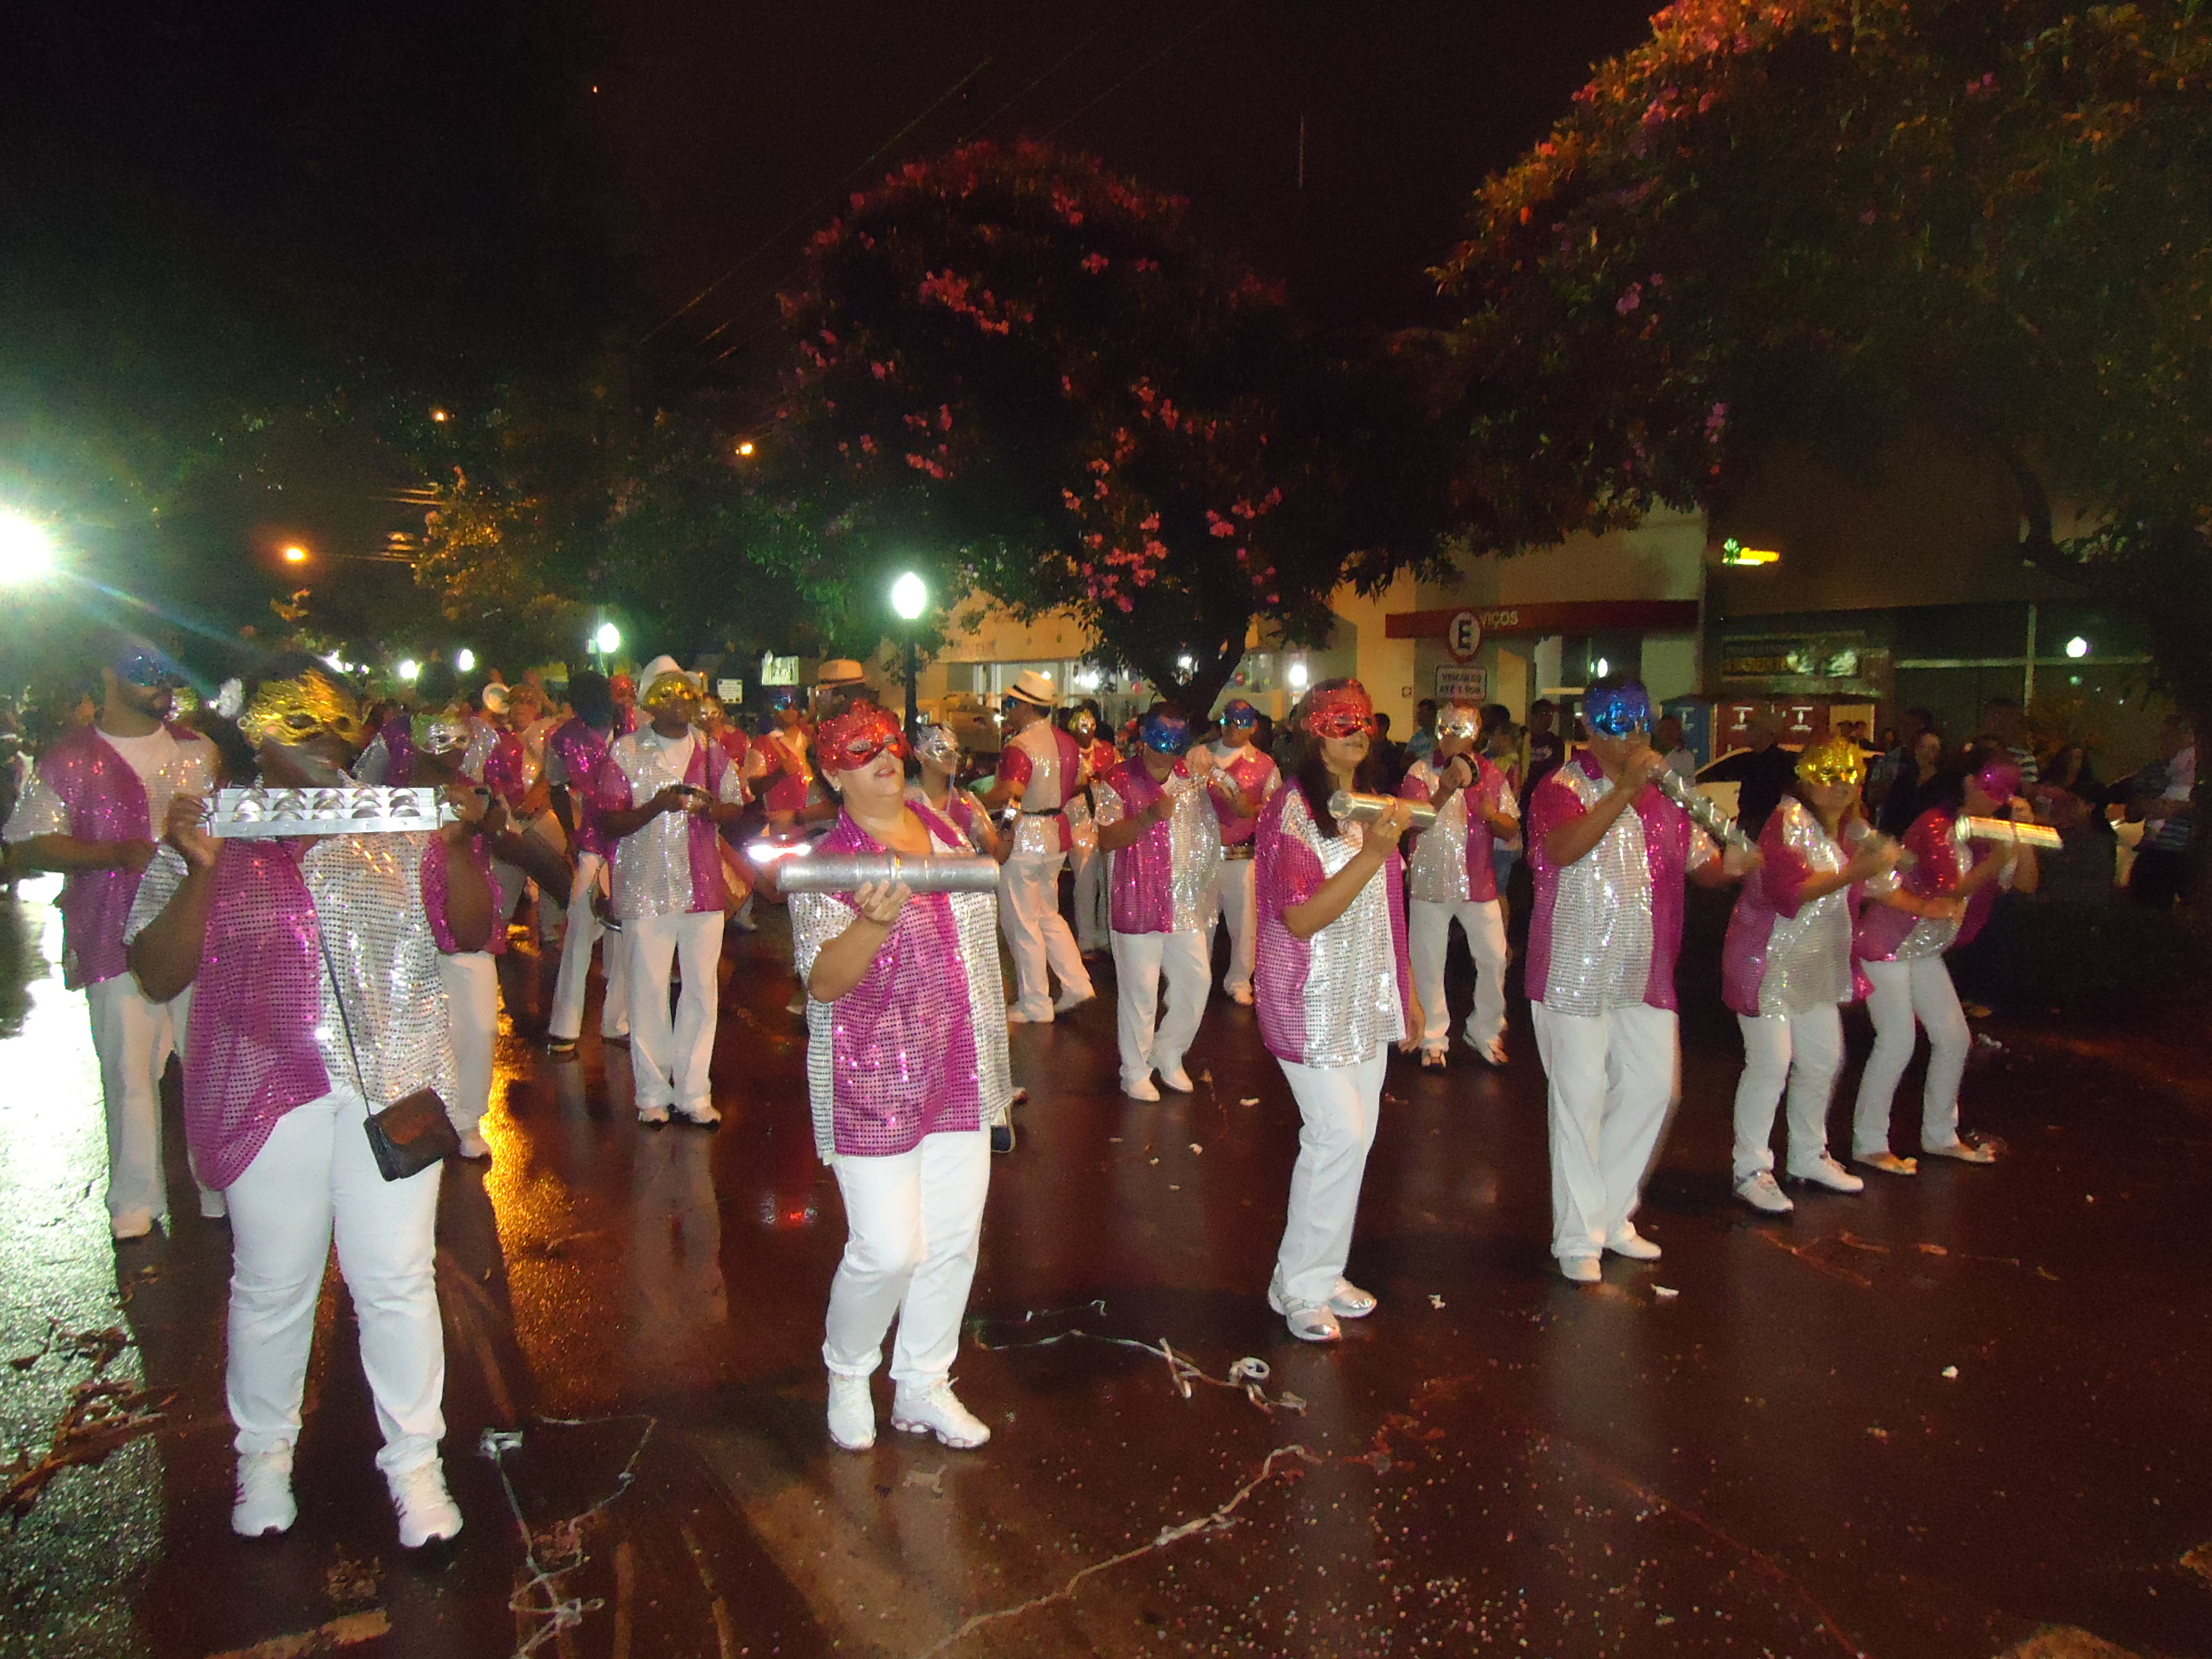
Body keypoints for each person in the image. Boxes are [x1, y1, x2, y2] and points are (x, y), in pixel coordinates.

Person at [125, 655, 492, 1546]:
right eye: (307, 732)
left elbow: (473, 928)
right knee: (272, 1284)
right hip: (264, 1086)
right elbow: (155, 967)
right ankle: (262, 1462)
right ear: (261, 741)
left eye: (339, 732)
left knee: (396, 1281)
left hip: (390, 1085)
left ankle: (415, 1464)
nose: (331, 751)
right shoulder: (211, 830)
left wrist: (453, 842)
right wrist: (204, 866)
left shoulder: (393, 828)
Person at [788, 704, 1013, 1452]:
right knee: (889, 1249)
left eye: (890, 741)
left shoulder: (945, 832)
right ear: (831, 771)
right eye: (859, 749)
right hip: (873, 1078)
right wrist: (874, 922)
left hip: (959, 1065)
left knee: (951, 1241)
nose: (883, 754)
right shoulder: (832, 861)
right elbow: (822, 982)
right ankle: (849, 1370)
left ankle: (922, 1382)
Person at [1525, 676, 1755, 1283]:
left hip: (1643, 968)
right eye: (1617, 728)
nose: (1631, 739)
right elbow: (1561, 850)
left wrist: (1729, 865)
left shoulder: (1670, 794)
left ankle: (1610, 1212)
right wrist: (1623, 791)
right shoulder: (1560, 787)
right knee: (1580, 1100)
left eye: (1640, 726)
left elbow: (1700, 864)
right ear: (1591, 730)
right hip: (1571, 968)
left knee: (1658, 1089)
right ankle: (1578, 1237)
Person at [3, 640, 222, 1237]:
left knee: (209, 1062)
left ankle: (221, 1183)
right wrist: (115, 853)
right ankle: (135, 1199)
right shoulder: (68, 759)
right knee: (129, 1072)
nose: (161, 683)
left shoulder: (199, 751)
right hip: (111, 934)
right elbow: (27, 842)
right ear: (107, 674)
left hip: (195, 928)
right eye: (144, 671)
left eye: (166, 672)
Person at [1254, 679, 1419, 1342]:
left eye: (1364, 722)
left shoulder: (1369, 805)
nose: (1359, 732)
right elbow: (1300, 916)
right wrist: (1376, 852)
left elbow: (1388, 905)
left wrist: (1406, 988)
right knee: (1338, 1135)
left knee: (1357, 1139)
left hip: (1365, 994)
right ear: (1315, 731)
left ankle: (1321, 1273)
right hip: (1308, 996)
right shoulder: (1292, 811)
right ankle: (1296, 1285)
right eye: (1342, 722)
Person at [1722, 736, 1898, 1214]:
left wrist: (1879, 857)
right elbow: (1790, 894)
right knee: (1770, 1064)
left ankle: (1806, 1153)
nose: (1841, 786)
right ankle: (1751, 1168)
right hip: (1768, 959)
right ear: (1805, 779)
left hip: (1816, 963)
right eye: (1830, 776)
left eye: (1849, 776)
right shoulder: (1787, 823)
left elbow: (1888, 882)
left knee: (1823, 1058)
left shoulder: (1843, 829)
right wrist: (1858, 867)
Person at [1850, 749, 2041, 1172]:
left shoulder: (1992, 831)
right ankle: (1869, 1142)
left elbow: (2027, 884)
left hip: (1924, 950)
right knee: (1898, 1040)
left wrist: (2022, 837)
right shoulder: (1934, 826)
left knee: (1954, 1039)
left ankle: (1939, 1134)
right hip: (1887, 943)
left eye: (2007, 793)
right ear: (1970, 782)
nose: (1998, 799)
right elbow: (1945, 893)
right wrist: (1995, 858)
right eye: (1993, 789)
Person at [597, 667, 747, 1126]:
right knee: (647, 991)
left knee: (702, 990)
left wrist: (708, 809)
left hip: (702, 888)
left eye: (689, 695)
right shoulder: (625, 752)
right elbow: (607, 822)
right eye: (672, 696)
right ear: (652, 704)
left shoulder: (710, 751)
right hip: (646, 888)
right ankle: (651, 1094)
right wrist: (655, 806)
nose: (683, 703)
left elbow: (736, 806)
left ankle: (694, 1091)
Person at [1093, 705, 1222, 1101]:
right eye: (1159, 739)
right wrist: (1148, 817)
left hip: (1182, 900)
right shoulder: (1117, 778)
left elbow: (1218, 820)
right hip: (1136, 896)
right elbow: (1106, 839)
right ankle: (1134, 1070)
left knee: (1197, 980)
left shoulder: (1189, 778)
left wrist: (1215, 771)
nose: (1166, 751)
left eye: (1176, 742)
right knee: (1140, 989)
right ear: (1143, 736)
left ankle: (1168, 1052)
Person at [1397, 698, 1519, 1068]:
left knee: (1494, 956)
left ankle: (1485, 1030)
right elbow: (1412, 822)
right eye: (1446, 728)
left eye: (1460, 729)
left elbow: (1512, 825)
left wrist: (1492, 815)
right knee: (1430, 959)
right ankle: (1433, 1037)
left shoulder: (1492, 774)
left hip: (1478, 882)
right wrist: (1445, 788)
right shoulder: (1421, 771)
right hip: (1431, 882)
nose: (1451, 736)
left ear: (1475, 734)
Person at [981, 672, 1095, 1022]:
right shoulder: (1067, 742)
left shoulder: (1021, 746)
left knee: (1021, 920)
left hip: (1027, 832)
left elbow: (1011, 791)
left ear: (1028, 706)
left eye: (1012, 703)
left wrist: (976, 800)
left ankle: (1035, 1002)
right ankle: (1077, 983)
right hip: (1056, 832)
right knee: (1048, 914)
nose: (1008, 709)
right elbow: (1078, 783)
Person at [544, 671, 632, 1056]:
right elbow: (556, 786)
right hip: (597, 840)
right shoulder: (564, 737)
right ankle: (566, 1025)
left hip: (630, 834)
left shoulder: (633, 725)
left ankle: (616, 1021)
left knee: (625, 930)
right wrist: (569, 832)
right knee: (583, 926)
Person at [1201, 698, 1280, 1005]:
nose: (1234, 728)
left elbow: (1275, 811)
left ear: (1253, 726)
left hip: (1242, 853)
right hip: (1203, 854)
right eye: (1229, 722)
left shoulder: (1265, 765)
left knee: (1244, 922)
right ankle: (1196, 977)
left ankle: (1239, 978)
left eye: (1242, 723)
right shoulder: (1202, 757)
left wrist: (1249, 809)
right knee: (1200, 920)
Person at [2127, 714, 2195, 909]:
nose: (2163, 742)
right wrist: (2143, 805)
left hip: (2186, 854)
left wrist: (2178, 807)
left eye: (2169, 736)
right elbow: (2131, 814)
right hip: (2153, 852)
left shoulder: (2200, 773)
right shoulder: (2154, 771)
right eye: (2162, 736)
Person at [1061, 704, 1111, 955]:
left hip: (1103, 821)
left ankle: (1105, 933)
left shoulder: (1107, 751)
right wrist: (1082, 785)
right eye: (1082, 725)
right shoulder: (1065, 753)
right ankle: (1086, 938)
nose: (1087, 731)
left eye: (1091, 725)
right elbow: (1058, 791)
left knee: (1107, 879)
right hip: (1077, 821)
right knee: (1085, 880)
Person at [1702, 711, 1799, 841]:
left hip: (1766, 830)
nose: (1746, 732)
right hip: (1756, 827)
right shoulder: (1746, 760)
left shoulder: (1783, 762)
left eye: (1751, 728)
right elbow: (1714, 773)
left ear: (1764, 733)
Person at [754, 687, 814, 834]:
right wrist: (779, 774)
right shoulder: (763, 744)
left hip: (815, 821)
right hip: (780, 823)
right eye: (782, 705)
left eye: (794, 705)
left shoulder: (813, 739)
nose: (789, 710)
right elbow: (753, 788)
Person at [1876, 726, 1946, 841]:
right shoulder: (1904, 779)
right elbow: (1889, 815)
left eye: (1932, 749)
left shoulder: (1944, 784)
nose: (1926, 753)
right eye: (1922, 747)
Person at [1522, 698, 1566, 796]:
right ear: (1533, 716)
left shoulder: (1555, 742)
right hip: (1524, 791)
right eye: (1543, 714)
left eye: (1550, 715)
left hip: (1545, 791)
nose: (1547, 719)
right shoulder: (1522, 739)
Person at [1655, 713, 1698, 782]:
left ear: (1678, 732)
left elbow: (1689, 784)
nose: (1665, 733)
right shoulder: (1651, 754)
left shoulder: (1686, 757)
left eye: (1670, 729)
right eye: (1662, 730)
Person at [1405, 698, 1440, 765]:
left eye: (1422, 714)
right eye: (1418, 714)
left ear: (1432, 715)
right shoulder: (1416, 738)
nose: (1419, 717)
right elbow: (1405, 762)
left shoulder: (1440, 736)